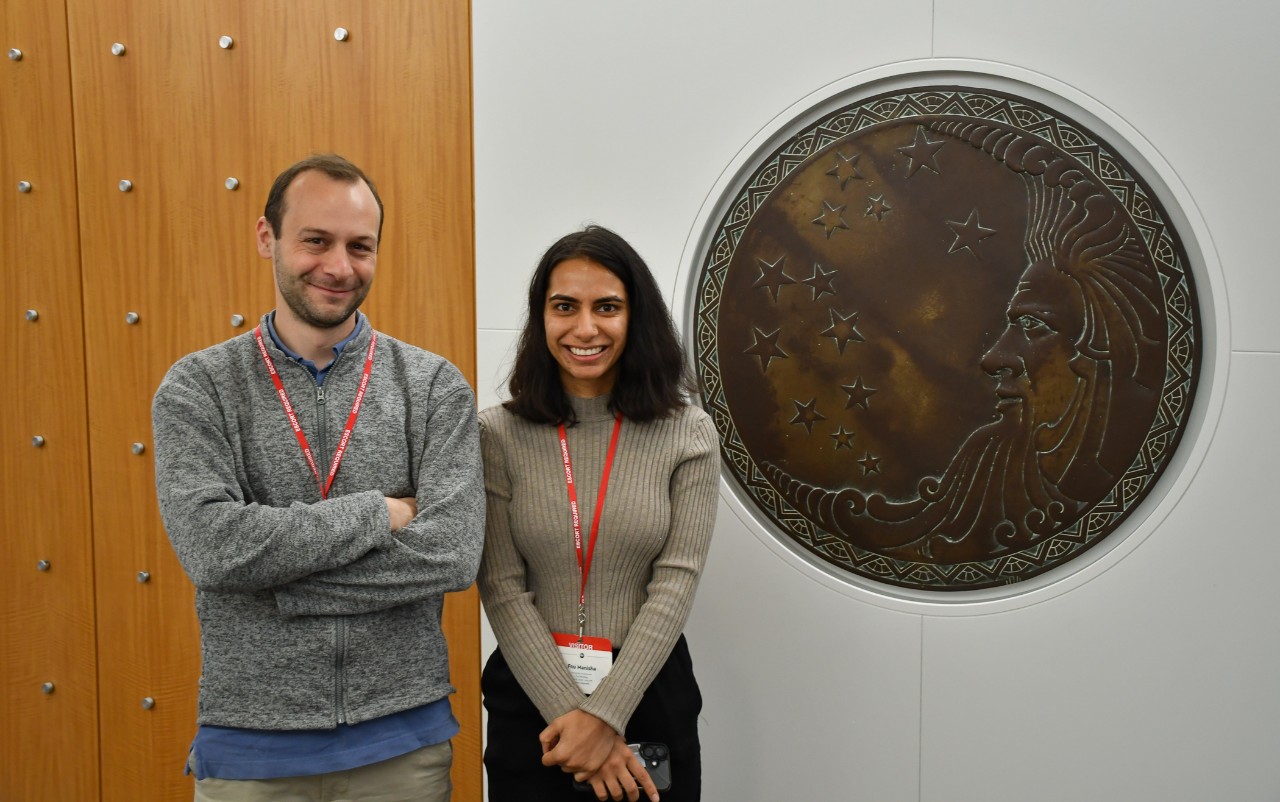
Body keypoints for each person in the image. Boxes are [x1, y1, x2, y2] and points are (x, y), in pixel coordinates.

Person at [151, 154, 484, 801]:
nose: (339, 266)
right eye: (316, 241)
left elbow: (452, 553)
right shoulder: (199, 388)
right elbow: (214, 550)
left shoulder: (433, 387)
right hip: (250, 751)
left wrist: (277, 583)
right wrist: (380, 513)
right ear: (266, 237)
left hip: (402, 745)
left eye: (360, 246)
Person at [477, 226, 719, 802]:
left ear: (636, 317)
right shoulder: (497, 434)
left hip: (649, 695)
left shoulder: (688, 433)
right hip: (531, 701)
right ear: (541, 318)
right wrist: (573, 715)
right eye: (565, 307)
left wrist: (604, 716)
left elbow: (675, 584)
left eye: (607, 307)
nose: (585, 328)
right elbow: (502, 586)